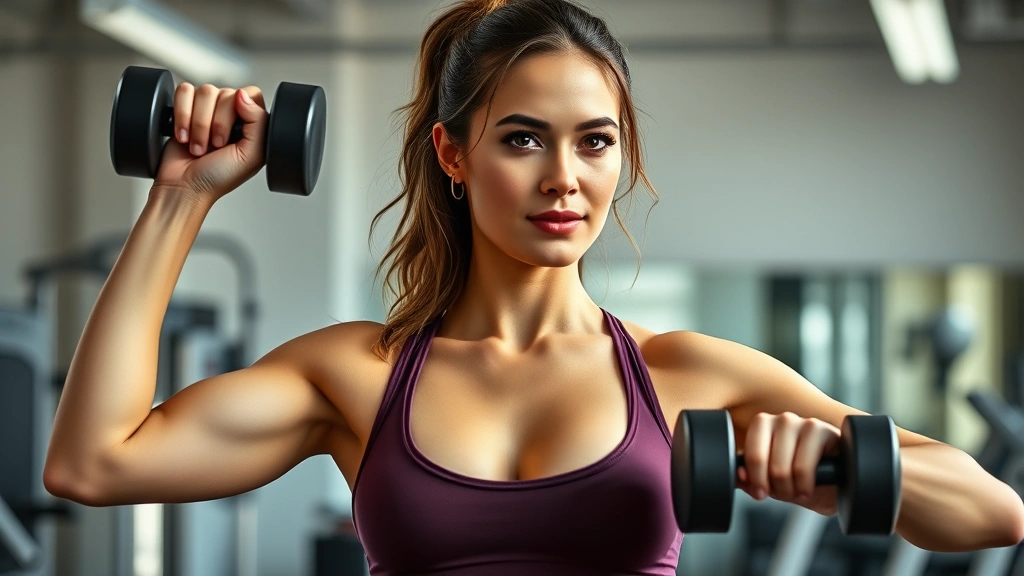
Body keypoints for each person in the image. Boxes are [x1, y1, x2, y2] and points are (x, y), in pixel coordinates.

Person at [43, 0, 1024, 574]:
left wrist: (843, 462)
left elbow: (992, 514)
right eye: (522, 139)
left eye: (594, 142)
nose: (564, 177)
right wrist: (179, 200)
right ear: (453, 154)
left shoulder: (682, 372)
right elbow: (95, 465)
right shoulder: (357, 375)